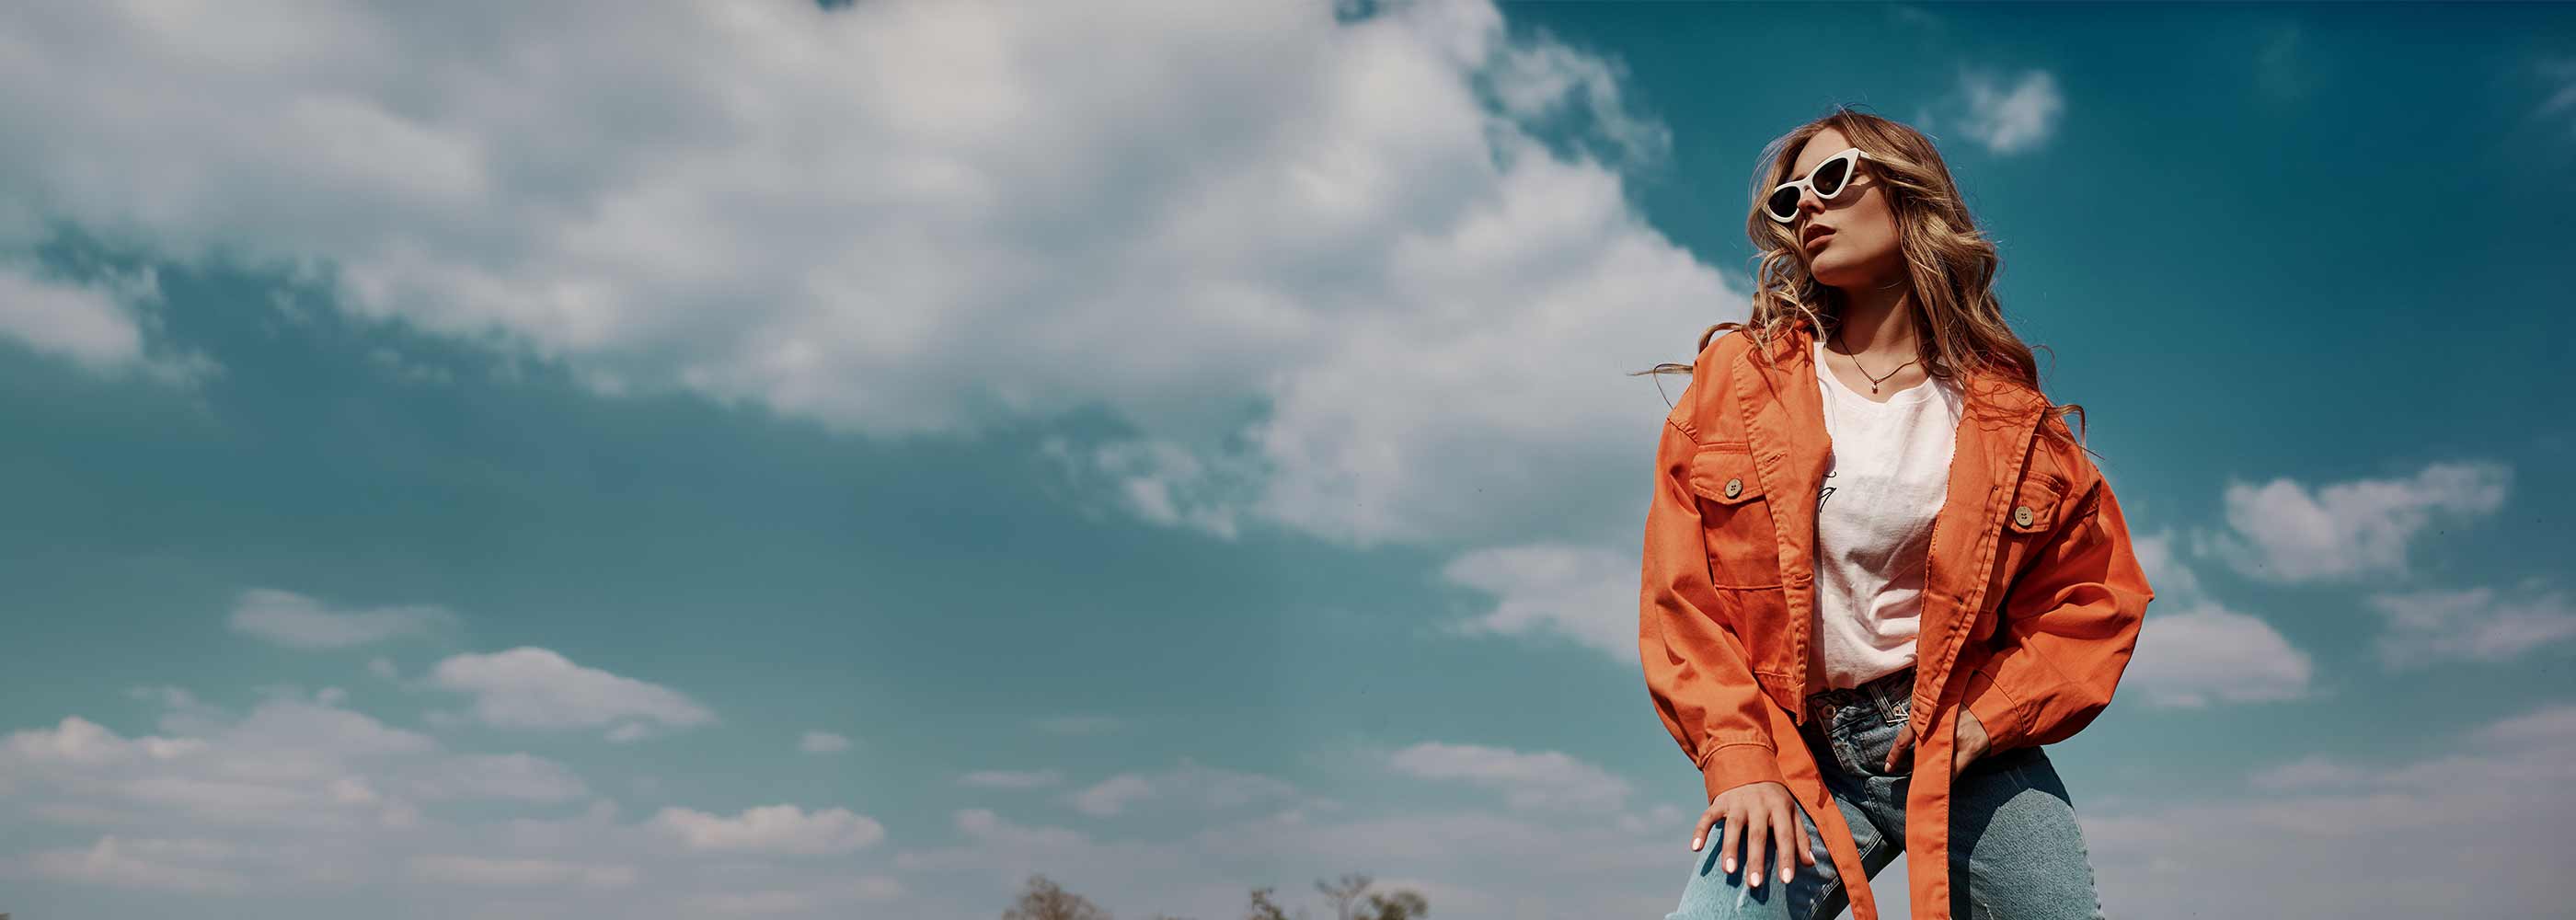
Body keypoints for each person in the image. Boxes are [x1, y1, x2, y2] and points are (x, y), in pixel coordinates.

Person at [1634, 108, 2155, 920]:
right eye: (1788, 199)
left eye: (1832, 177)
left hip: (1959, 740)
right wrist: (1739, 760)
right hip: (1796, 752)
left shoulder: (2012, 420)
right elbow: (1681, 594)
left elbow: (2095, 596)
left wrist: (1988, 720)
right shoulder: (1739, 378)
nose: (1807, 205)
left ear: (1908, 191)